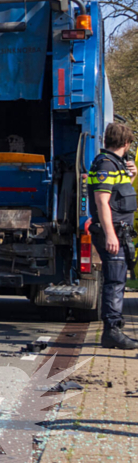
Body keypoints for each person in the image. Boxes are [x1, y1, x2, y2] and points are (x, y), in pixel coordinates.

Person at [88, 122, 138, 349]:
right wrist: (110, 234)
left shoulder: (116, 165)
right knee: (115, 281)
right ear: (126, 143)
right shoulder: (106, 165)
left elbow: (120, 197)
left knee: (118, 279)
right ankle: (111, 332)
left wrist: (132, 177)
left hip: (120, 231)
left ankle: (114, 329)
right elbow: (102, 201)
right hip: (113, 231)